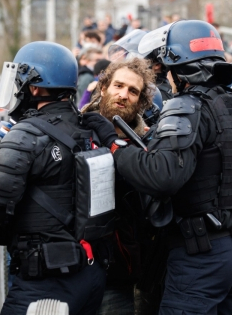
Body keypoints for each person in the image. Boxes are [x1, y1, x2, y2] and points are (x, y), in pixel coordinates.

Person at [86, 20, 232, 313]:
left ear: (180, 67)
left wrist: (113, 142)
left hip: (199, 252)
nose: (166, 76)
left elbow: (163, 176)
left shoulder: (187, 105)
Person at [0, 42, 115, 315]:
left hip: (46, 283)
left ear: (34, 88)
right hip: (90, 276)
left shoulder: (25, 135)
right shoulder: (88, 128)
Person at [81, 59, 156, 315]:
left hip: (121, 273)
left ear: (141, 101)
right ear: (103, 88)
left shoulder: (148, 144)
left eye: (133, 91)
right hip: (73, 269)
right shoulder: (75, 128)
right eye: (118, 86)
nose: (123, 95)